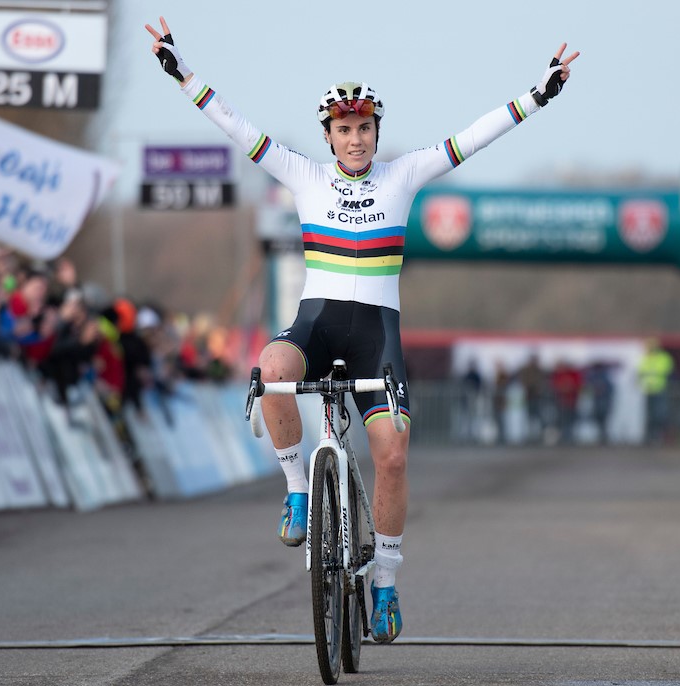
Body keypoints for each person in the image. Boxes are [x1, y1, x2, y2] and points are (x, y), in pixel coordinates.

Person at [146, 16, 578, 644]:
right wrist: (184, 75)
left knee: (394, 458)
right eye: (344, 129)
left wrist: (537, 96)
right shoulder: (304, 176)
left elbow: (472, 138)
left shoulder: (403, 175)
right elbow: (240, 130)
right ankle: (297, 488)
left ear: (378, 132)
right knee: (271, 370)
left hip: (377, 336)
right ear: (329, 136)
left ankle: (385, 584)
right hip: (316, 327)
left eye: (364, 128)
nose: (355, 139)